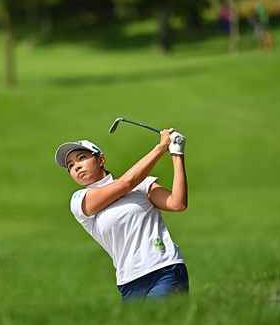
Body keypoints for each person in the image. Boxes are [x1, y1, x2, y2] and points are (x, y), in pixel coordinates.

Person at [54, 129, 189, 301]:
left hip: (165, 268)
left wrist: (177, 154)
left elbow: (177, 203)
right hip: (129, 282)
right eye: (70, 166)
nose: (76, 166)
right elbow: (126, 183)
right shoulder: (79, 200)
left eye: (81, 158)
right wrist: (160, 147)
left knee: (160, 322)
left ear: (101, 159)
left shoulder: (143, 185)